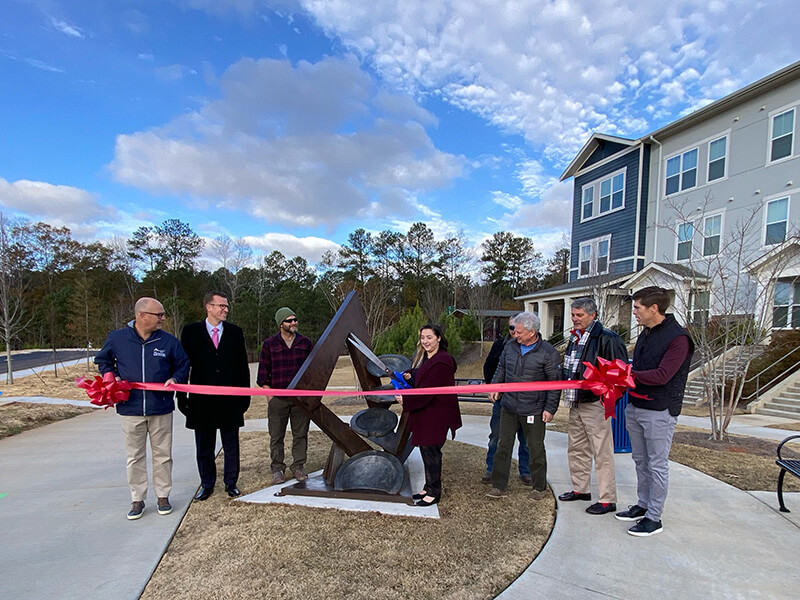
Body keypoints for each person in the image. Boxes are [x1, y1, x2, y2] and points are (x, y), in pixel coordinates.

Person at [94, 297, 190, 520]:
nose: (163, 319)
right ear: (142, 315)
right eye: (159, 315)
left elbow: (183, 364)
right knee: (135, 456)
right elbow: (103, 360)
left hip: (161, 408)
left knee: (162, 455)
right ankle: (137, 499)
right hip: (130, 408)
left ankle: (163, 496)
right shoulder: (117, 339)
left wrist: (175, 379)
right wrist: (111, 376)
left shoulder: (168, 341)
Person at [616, 286, 694, 537]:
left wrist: (626, 375)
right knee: (640, 461)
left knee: (657, 464)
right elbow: (638, 367)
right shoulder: (646, 333)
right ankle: (643, 505)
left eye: (637, 308)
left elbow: (663, 375)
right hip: (635, 406)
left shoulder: (678, 339)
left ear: (654, 308)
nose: (634, 313)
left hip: (659, 410)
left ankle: (654, 518)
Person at [559, 297, 629, 515]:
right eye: (573, 315)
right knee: (577, 448)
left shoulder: (608, 339)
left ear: (592, 315)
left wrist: (608, 399)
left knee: (602, 452)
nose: (575, 319)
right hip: (575, 401)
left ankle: (607, 499)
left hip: (596, 403)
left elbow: (620, 372)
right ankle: (580, 489)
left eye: (579, 315)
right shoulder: (574, 339)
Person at [178, 291, 251, 501]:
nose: (225, 310)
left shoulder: (235, 332)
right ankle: (207, 484)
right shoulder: (191, 332)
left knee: (231, 446)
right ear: (208, 307)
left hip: (230, 401)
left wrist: (244, 397)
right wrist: (182, 397)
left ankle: (231, 483)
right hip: (202, 402)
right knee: (204, 447)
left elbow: (242, 367)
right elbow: (184, 366)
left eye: (226, 307)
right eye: (221, 306)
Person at [486, 311, 561, 500]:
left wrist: (550, 409)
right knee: (503, 446)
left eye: (519, 332)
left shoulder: (548, 353)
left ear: (532, 331)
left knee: (535, 448)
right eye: (514, 330)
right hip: (509, 406)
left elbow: (554, 384)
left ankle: (538, 487)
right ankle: (498, 485)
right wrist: (496, 387)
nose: (515, 334)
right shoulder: (510, 347)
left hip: (534, 409)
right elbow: (501, 368)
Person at [397, 324, 462, 507]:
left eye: (429, 338)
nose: (425, 341)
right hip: (425, 414)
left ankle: (434, 492)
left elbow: (428, 392)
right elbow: (422, 375)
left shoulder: (443, 361)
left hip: (436, 414)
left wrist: (406, 401)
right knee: (425, 450)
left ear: (439, 338)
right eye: (423, 338)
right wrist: (410, 374)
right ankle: (428, 486)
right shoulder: (427, 357)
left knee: (432, 451)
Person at [257, 307, 314, 485]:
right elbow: (263, 374)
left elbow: (314, 370)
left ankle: (298, 466)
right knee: (276, 436)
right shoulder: (269, 344)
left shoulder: (305, 343)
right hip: (278, 399)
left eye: (295, 319)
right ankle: (277, 469)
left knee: (300, 434)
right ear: (281, 324)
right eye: (289, 320)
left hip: (300, 400)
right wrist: (270, 397)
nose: (294, 323)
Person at [482, 317, 531, 485]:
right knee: (497, 436)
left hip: (527, 403)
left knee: (526, 439)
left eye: (517, 327)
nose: (513, 331)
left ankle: (526, 471)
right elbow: (491, 367)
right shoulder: (501, 346)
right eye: (511, 327)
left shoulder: (539, 349)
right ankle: (492, 469)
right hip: (503, 401)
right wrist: (493, 388)